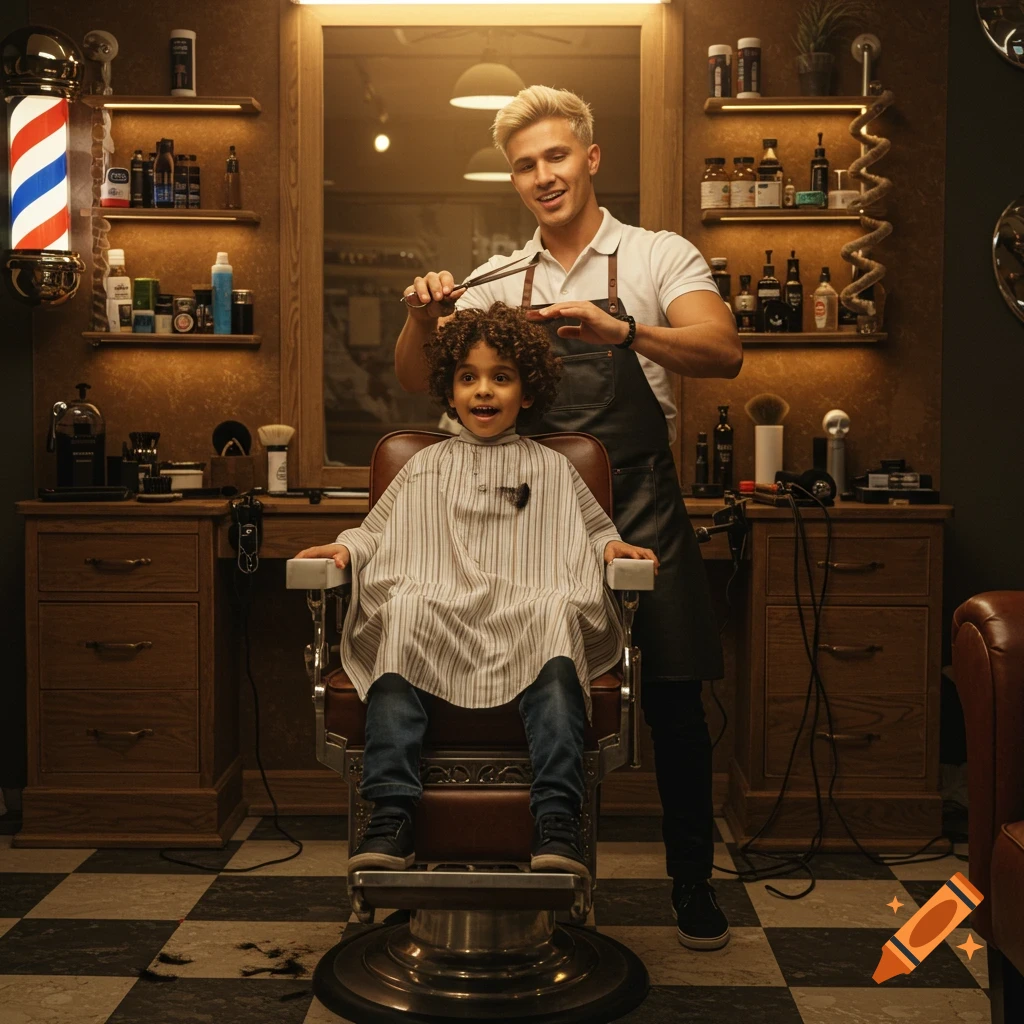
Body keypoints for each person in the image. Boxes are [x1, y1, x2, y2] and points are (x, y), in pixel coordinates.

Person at [393, 86, 743, 951]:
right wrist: (420, 317)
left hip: (641, 498)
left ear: (590, 157)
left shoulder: (657, 255)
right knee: (521, 677)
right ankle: (482, 860)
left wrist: (622, 332)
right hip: (533, 507)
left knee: (673, 699)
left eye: (555, 156)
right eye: (525, 165)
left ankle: (692, 882)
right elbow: (415, 377)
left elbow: (722, 350)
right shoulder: (500, 278)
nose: (542, 176)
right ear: (514, 180)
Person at [297, 302, 658, 881]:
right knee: (403, 611)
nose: (483, 390)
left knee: (553, 613)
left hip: (527, 607)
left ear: (528, 391)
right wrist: (345, 550)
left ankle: (557, 818)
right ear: (449, 389)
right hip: (439, 608)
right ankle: (390, 815)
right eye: (468, 377)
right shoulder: (423, 466)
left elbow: (592, 530)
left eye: (501, 377)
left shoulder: (553, 468)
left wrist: (613, 548)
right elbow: (376, 533)